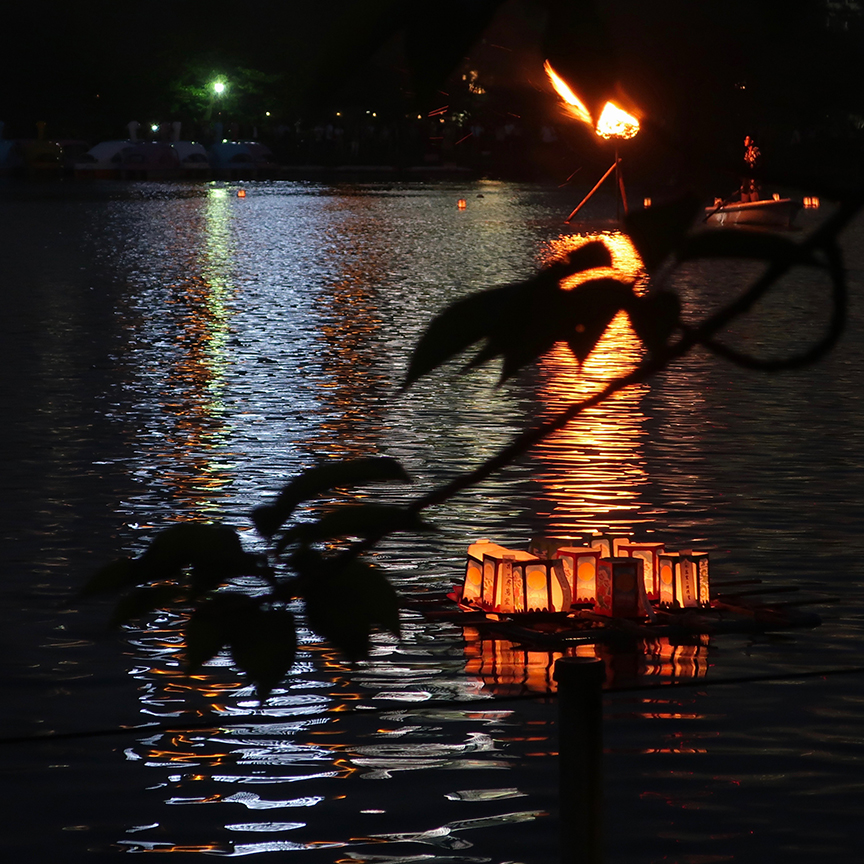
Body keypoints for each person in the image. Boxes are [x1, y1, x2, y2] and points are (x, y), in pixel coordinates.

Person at [741, 134, 761, 202]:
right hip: (746, 180)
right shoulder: (746, 153)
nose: (745, 141)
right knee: (744, 197)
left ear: (751, 141)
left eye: (747, 139)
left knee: (754, 199)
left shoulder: (756, 151)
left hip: (753, 181)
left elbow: (753, 164)